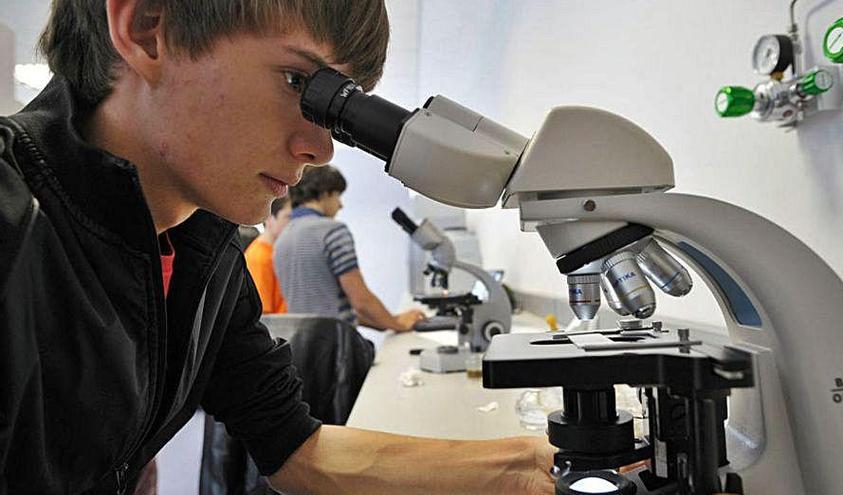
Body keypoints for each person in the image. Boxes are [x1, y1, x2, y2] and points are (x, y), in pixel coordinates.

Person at [0, 1, 554, 494]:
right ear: (148, 27)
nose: (319, 148)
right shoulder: (12, 215)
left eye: (333, 108)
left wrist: (530, 467)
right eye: (297, 81)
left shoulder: (202, 252)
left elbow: (299, 453)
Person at [275, 165, 425, 332]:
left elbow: (326, 309)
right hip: (337, 346)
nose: (340, 205)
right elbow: (361, 301)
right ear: (325, 193)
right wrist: (398, 325)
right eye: (338, 196)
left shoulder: (282, 241)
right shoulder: (332, 231)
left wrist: (388, 321)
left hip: (304, 348)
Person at [245, 196, 293, 314]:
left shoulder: (275, 252)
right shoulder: (260, 257)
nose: (292, 224)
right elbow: (262, 313)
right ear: (269, 219)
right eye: (288, 218)